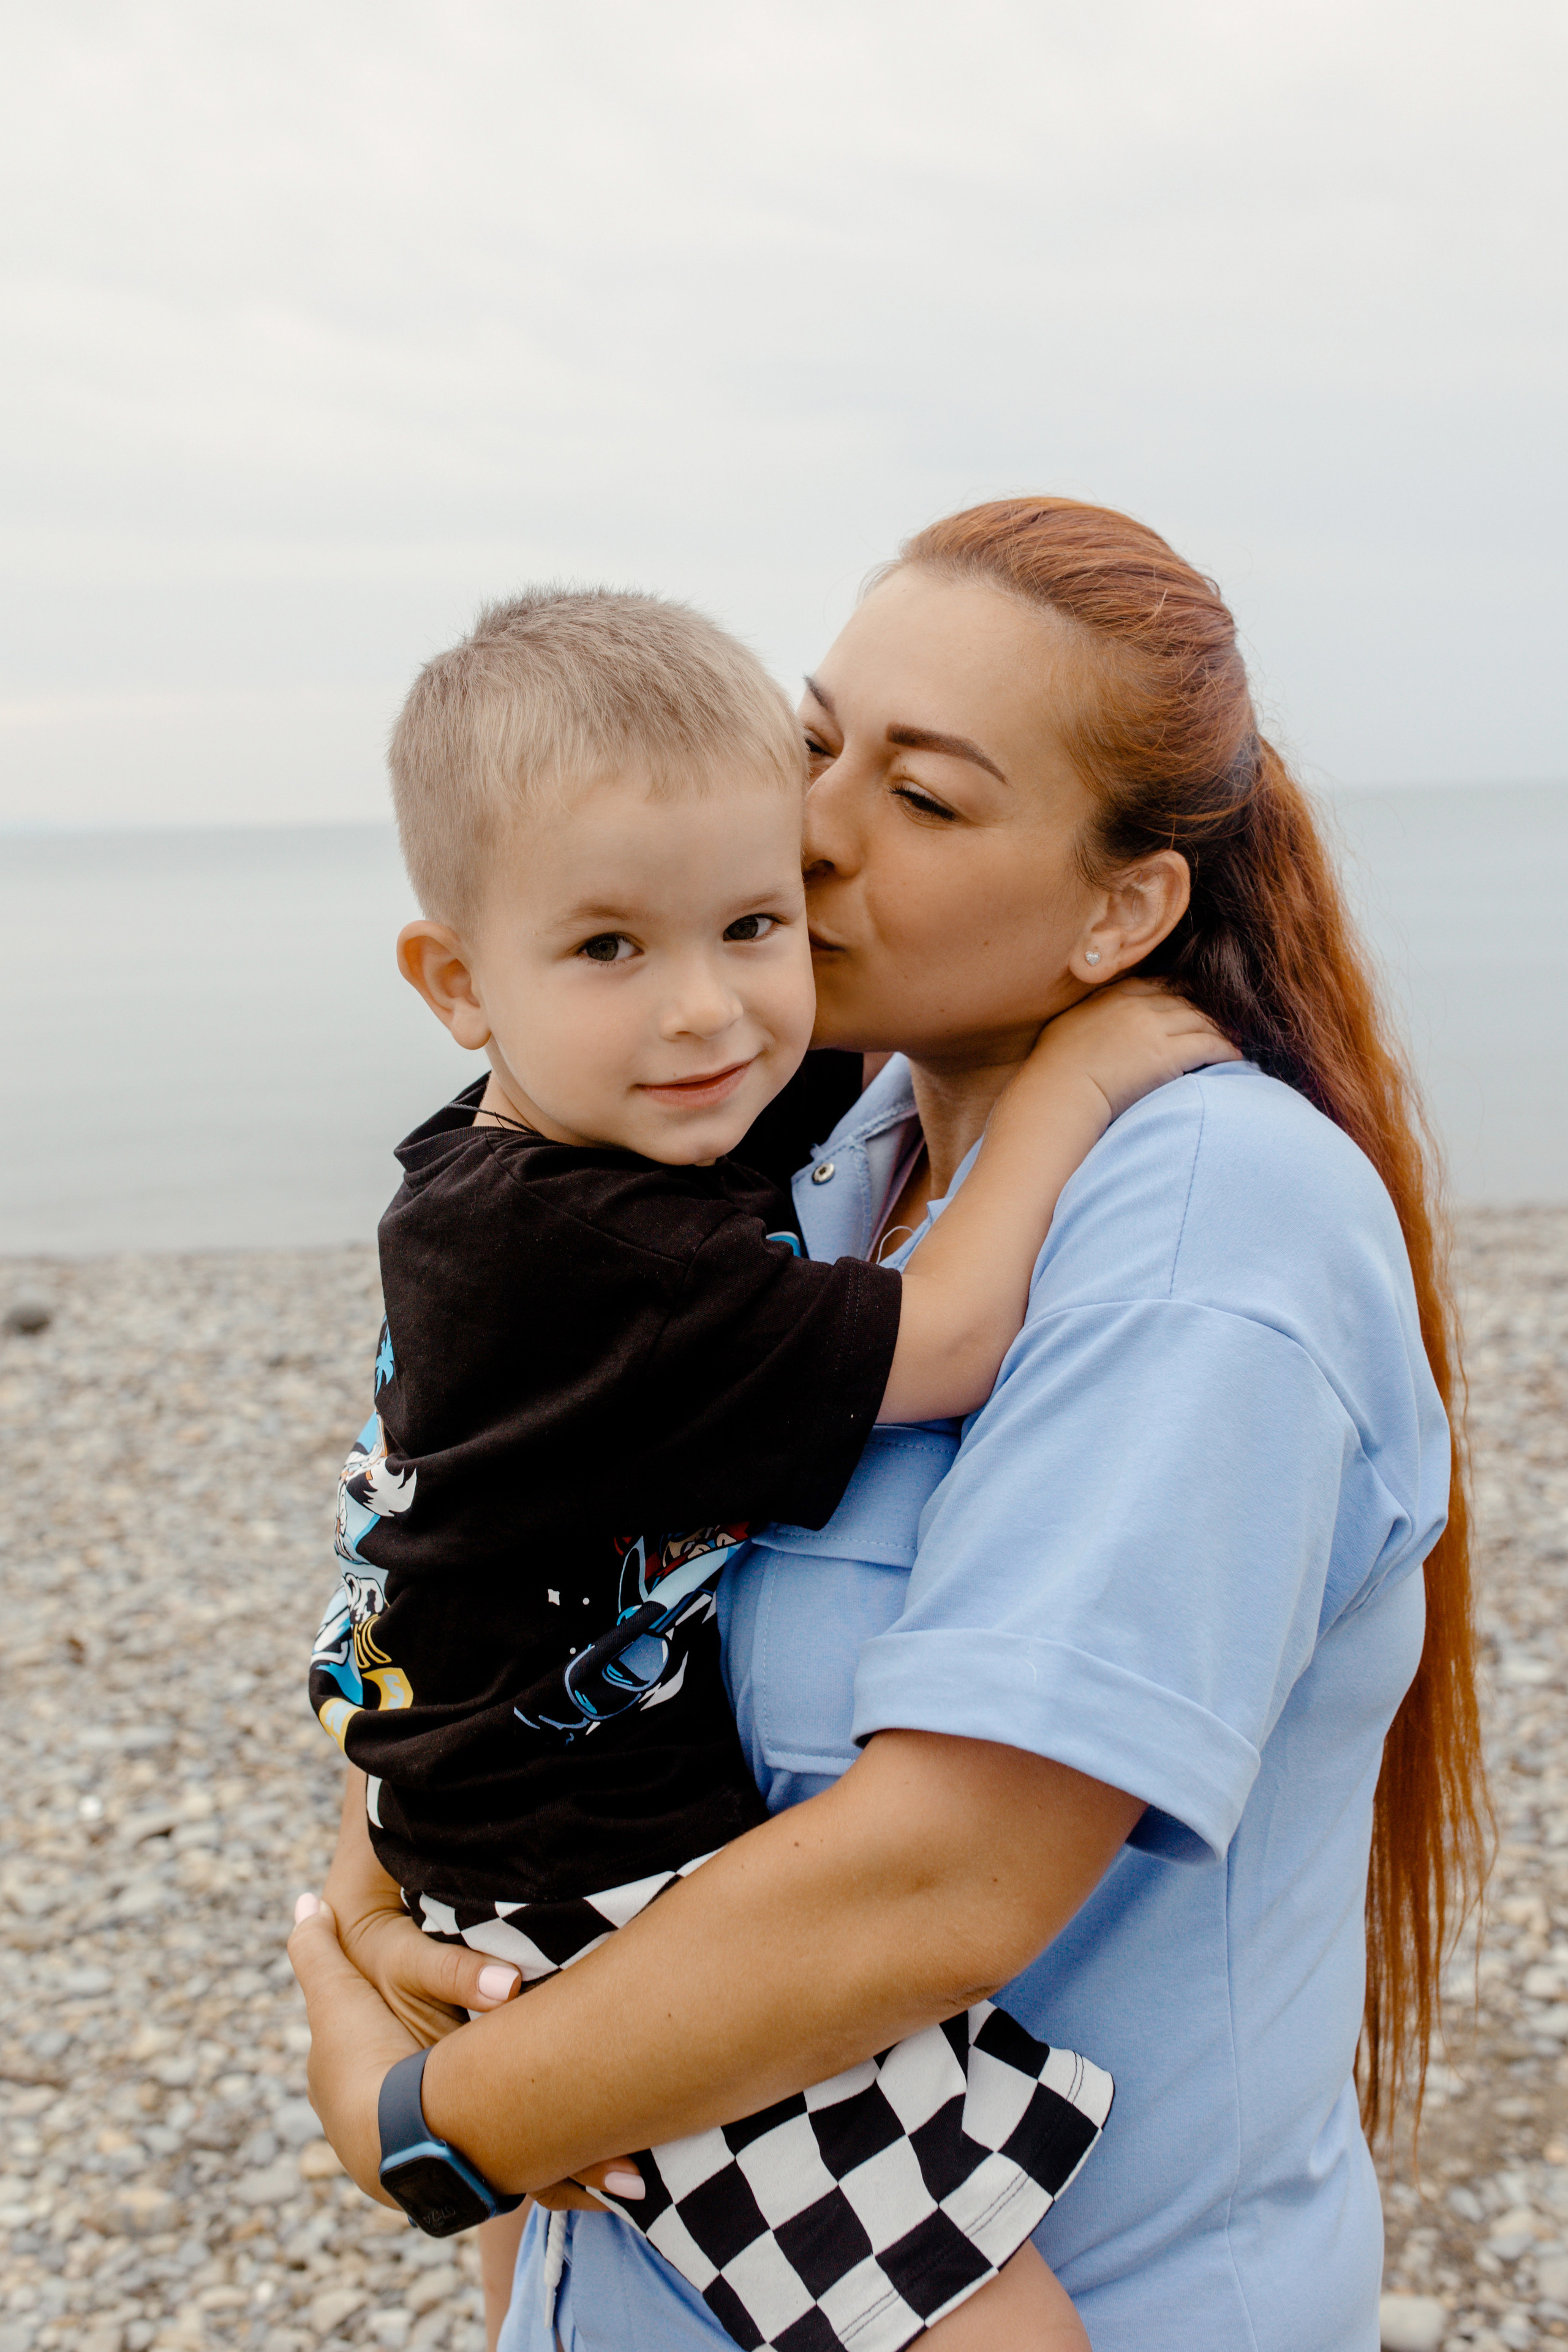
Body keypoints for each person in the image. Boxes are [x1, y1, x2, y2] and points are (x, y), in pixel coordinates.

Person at [291, 499, 1489, 2351]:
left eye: (922, 799)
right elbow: (524, 1568)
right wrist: (380, 1898)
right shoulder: (814, 1159)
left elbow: (941, 1881)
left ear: (1123, 910)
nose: (818, 826)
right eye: (816, 743)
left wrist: (425, 2133)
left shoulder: (1199, 1229)